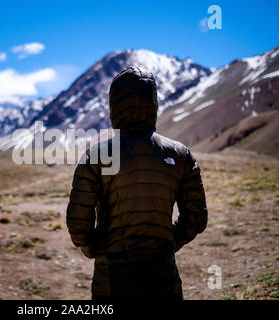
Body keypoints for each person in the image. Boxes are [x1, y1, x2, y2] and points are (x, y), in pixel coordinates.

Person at [66, 66, 208, 300]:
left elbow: (78, 224)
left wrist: (97, 250)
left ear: (115, 106)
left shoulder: (97, 156)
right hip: (164, 277)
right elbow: (196, 218)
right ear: (153, 104)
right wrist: (167, 243)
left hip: (112, 279)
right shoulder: (181, 155)